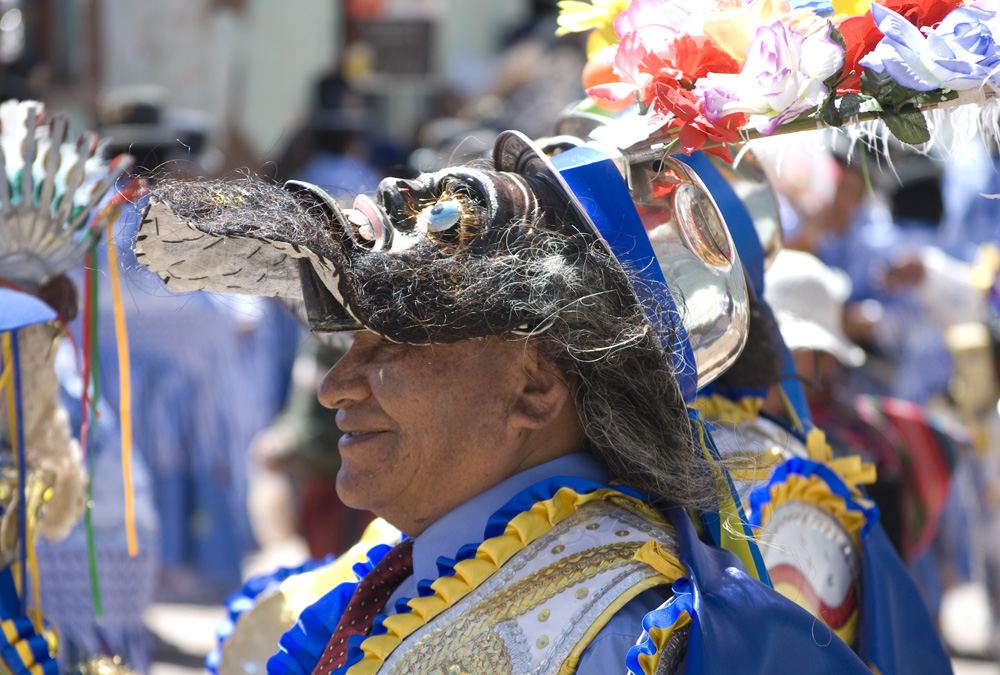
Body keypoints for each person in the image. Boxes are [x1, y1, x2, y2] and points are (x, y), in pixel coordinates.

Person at [134, 124, 879, 674]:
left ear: (535, 386)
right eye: (349, 344)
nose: (336, 385)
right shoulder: (442, 564)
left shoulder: (617, 628)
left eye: (393, 343)